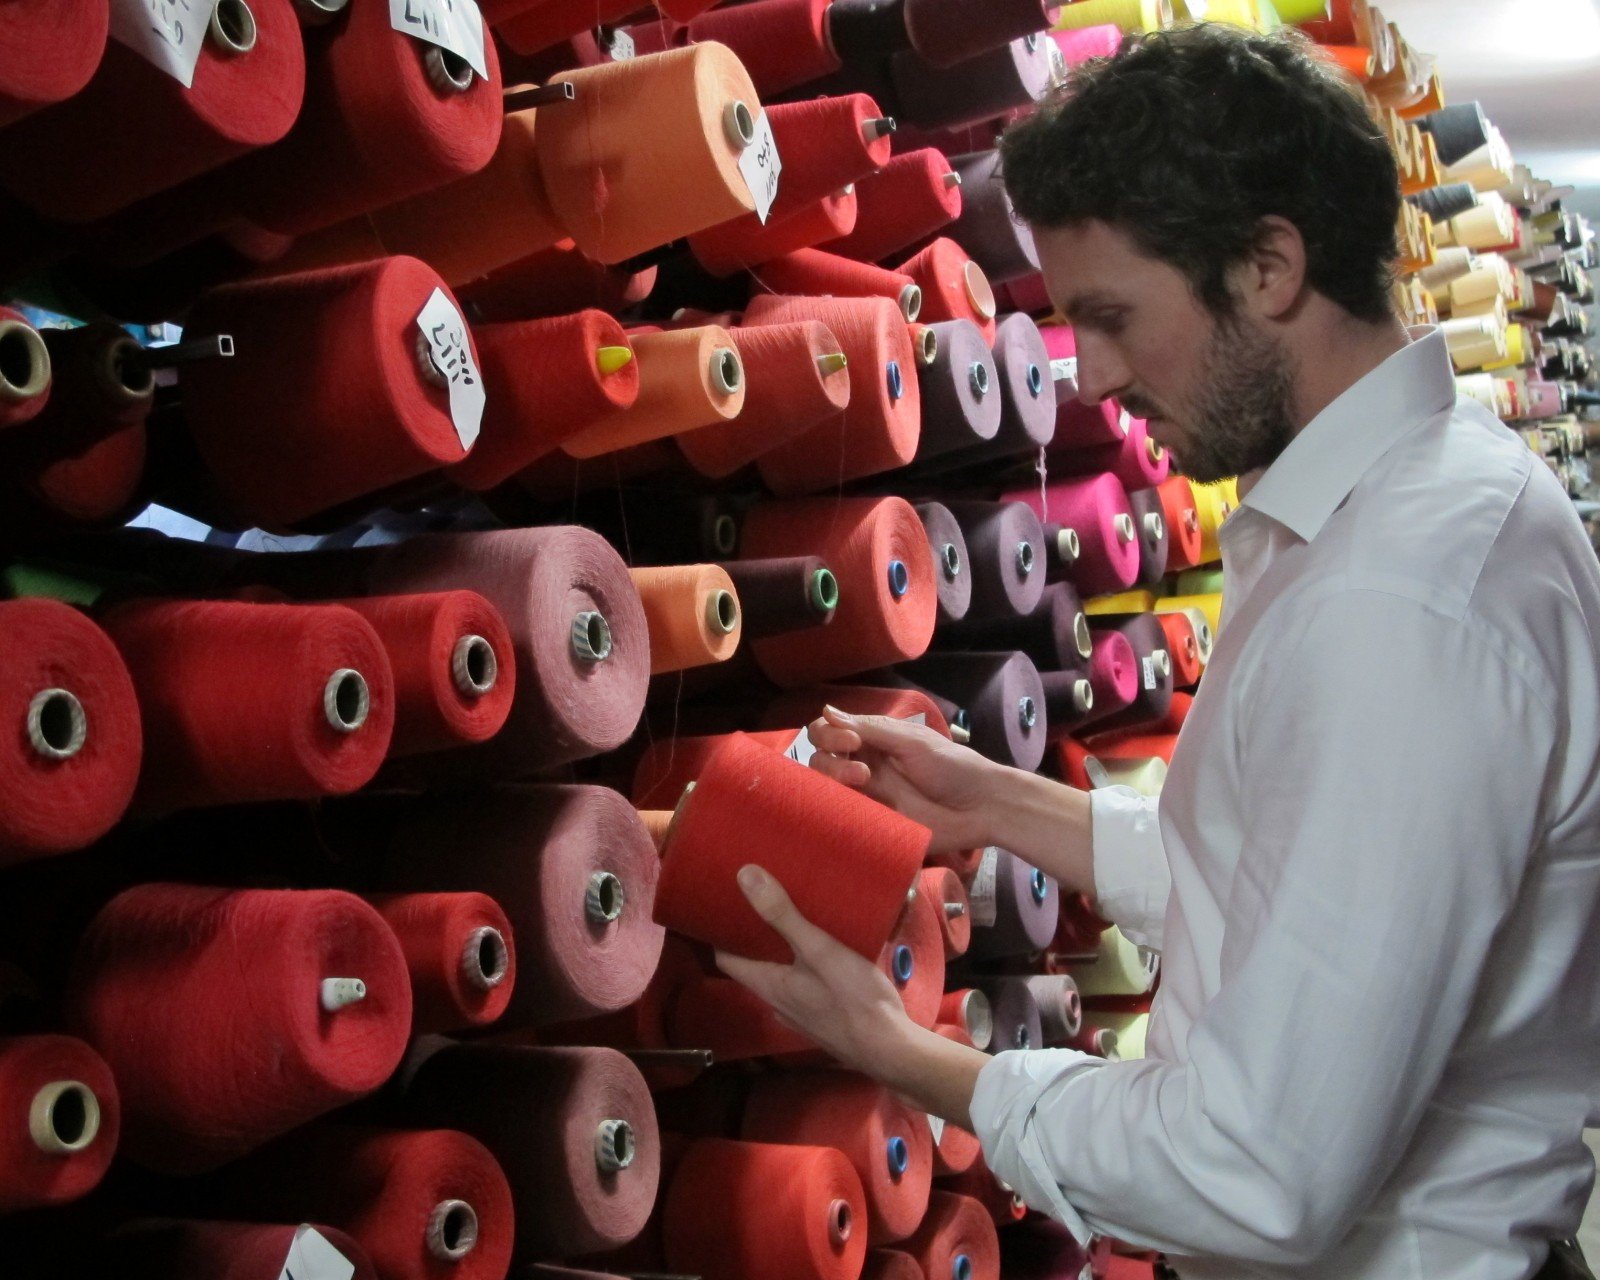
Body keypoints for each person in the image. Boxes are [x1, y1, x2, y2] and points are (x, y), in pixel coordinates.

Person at [714, 21, 1600, 1280]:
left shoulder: (1404, 597)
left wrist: (909, 1054)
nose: (1089, 376)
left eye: (1114, 315)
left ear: (1267, 268)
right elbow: (1292, 882)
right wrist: (996, 802)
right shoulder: (1374, 515)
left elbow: (1258, 1168)